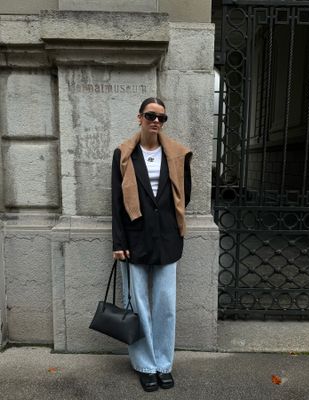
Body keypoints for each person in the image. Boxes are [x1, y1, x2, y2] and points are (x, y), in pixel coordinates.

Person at [111, 97, 192, 392]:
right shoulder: (124, 154)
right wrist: (119, 241)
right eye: (150, 115)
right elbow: (117, 202)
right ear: (139, 118)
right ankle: (145, 365)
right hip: (135, 240)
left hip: (168, 239)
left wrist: (172, 226)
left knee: (165, 305)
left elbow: (183, 196)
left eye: (161, 117)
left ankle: (163, 364)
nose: (156, 121)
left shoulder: (178, 155)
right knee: (139, 306)